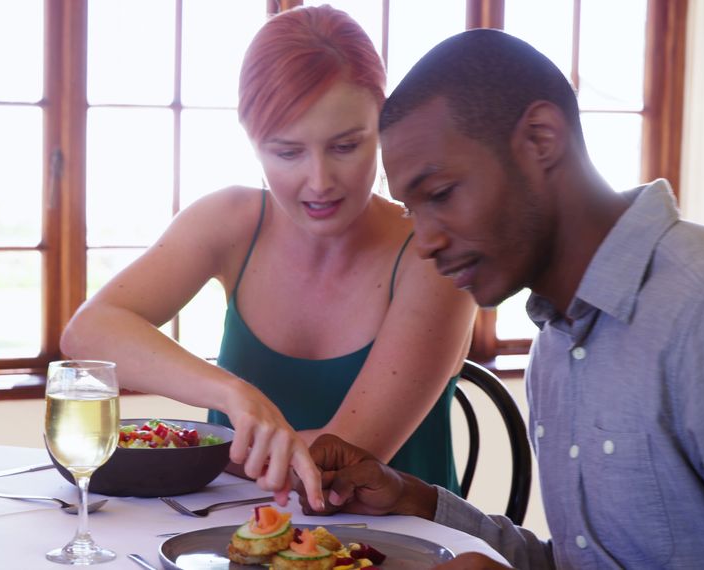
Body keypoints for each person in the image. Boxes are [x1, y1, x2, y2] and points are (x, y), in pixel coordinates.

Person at [299, 28, 704, 569]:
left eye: (441, 194)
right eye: (412, 210)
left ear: (540, 139)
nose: (425, 242)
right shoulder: (554, 350)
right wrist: (411, 499)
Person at [61, 5, 475, 508]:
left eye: (346, 146)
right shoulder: (231, 220)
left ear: (381, 126)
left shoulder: (431, 255)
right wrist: (233, 395)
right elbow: (88, 333)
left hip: (399, 551)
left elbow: (325, 471)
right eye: (286, 152)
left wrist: (207, 447)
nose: (320, 180)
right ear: (252, 141)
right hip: (235, 541)